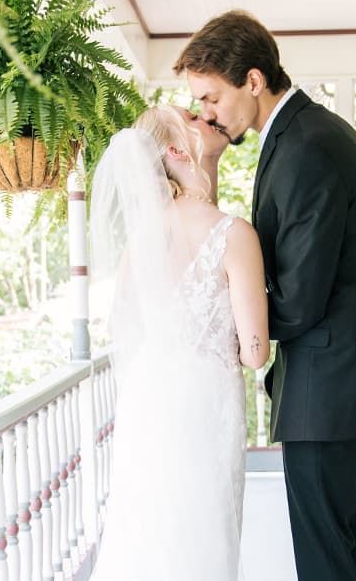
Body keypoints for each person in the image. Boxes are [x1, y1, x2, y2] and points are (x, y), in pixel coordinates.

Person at [174, 10, 356, 580]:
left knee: (326, 554)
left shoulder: (309, 145)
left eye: (211, 98)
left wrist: (228, 331)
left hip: (326, 383)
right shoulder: (300, 135)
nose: (205, 112)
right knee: (331, 544)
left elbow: (301, 298)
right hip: (326, 381)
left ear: (253, 81)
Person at [89, 104, 269, 580]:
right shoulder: (234, 234)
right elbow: (256, 352)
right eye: (192, 120)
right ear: (174, 150)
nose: (205, 118)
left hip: (148, 396)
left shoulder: (141, 237)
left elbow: (120, 322)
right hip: (206, 398)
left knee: (146, 527)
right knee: (207, 528)